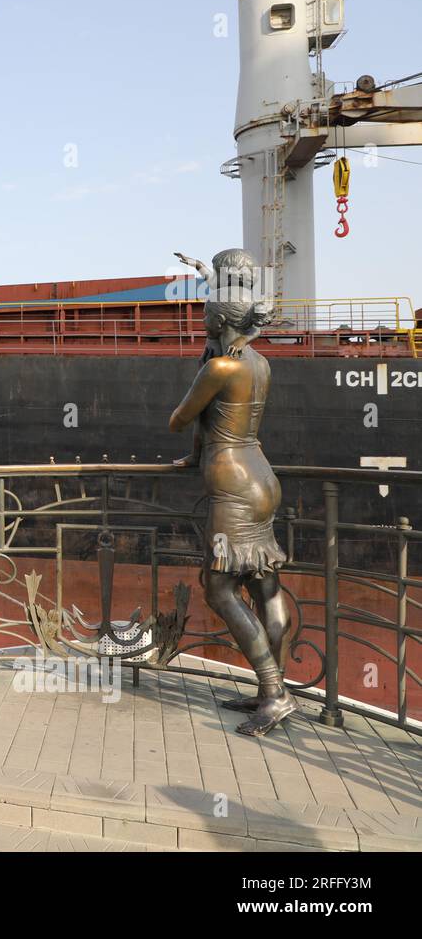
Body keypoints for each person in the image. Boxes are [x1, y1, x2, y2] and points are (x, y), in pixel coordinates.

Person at [169, 250, 295, 736]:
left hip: (232, 487)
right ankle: (273, 687)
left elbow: (178, 419)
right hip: (263, 478)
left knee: (219, 588)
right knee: (265, 584)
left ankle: (274, 692)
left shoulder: (221, 368)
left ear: (219, 318)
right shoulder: (260, 364)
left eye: (206, 312)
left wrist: (205, 365)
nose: (201, 316)